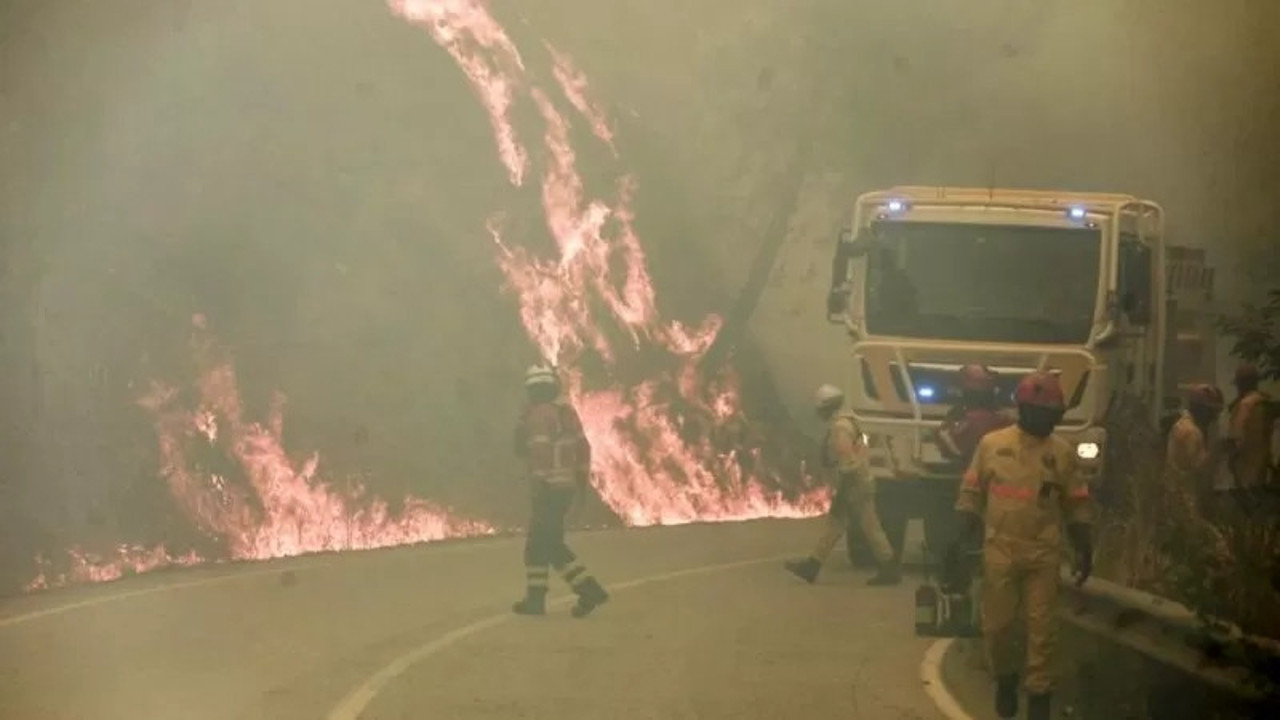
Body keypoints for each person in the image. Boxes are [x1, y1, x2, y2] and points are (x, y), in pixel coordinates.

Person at [950, 371, 1094, 720]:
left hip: (1043, 555)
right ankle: (1005, 679)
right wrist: (957, 541)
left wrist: (1084, 549)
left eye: (1054, 415)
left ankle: (1039, 701)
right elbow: (971, 494)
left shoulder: (1062, 454)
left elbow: (1076, 505)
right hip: (1000, 550)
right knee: (998, 629)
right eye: (1044, 414)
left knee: (1042, 633)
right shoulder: (992, 445)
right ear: (1024, 410)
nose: (1050, 421)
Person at [512, 363, 609, 618]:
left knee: (546, 544)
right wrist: (581, 482)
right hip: (565, 488)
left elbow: (537, 451)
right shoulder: (567, 414)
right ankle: (537, 601)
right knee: (542, 543)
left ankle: (588, 591)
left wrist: (538, 483)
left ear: (531, 391)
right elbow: (583, 449)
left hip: (547, 489)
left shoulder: (537, 416)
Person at [785, 384, 900, 586]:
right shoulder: (848, 422)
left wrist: (843, 492)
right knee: (848, 527)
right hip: (860, 482)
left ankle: (888, 566)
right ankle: (813, 565)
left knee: (862, 527)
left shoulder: (840, 428)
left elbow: (848, 461)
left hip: (854, 485)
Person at [1165, 384, 1226, 512]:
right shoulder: (1191, 432)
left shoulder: (1184, 425)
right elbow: (1200, 470)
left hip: (1180, 497)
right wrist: (1218, 452)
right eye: (1211, 412)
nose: (1213, 418)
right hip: (1187, 501)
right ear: (1201, 410)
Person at [1225, 363, 1271, 506]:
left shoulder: (1244, 406)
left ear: (1241, 384)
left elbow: (1235, 440)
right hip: (1263, 471)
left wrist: (1230, 462)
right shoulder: (1266, 403)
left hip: (1244, 474)